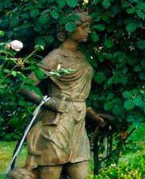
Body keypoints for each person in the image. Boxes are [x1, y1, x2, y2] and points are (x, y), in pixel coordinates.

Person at [17, 11, 108, 179]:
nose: (88, 31)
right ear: (69, 29)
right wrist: (49, 102)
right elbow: (25, 87)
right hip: (55, 126)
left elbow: (78, 94)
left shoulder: (81, 57)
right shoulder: (55, 57)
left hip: (77, 125)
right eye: (84, 27)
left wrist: (91, 114)